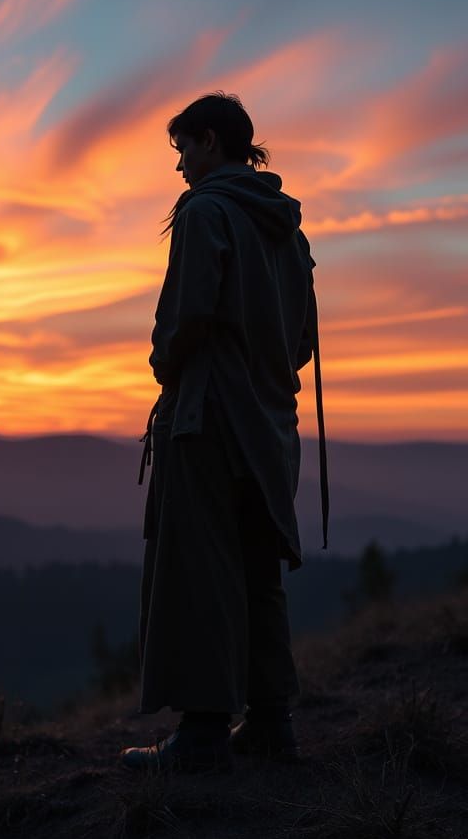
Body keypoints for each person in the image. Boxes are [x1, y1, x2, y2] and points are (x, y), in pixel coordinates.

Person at [119, 91, 327, 772]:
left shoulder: (205, 211)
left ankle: (203, 734)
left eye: (183, 147)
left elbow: (186, 317)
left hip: (208, 417)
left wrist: (165, 365)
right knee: (258, 569)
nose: (179, 164)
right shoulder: (288, 228)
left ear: (210, 141)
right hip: (271, 424)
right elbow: (302, 341)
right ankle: (271, 724)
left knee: (199, 565)